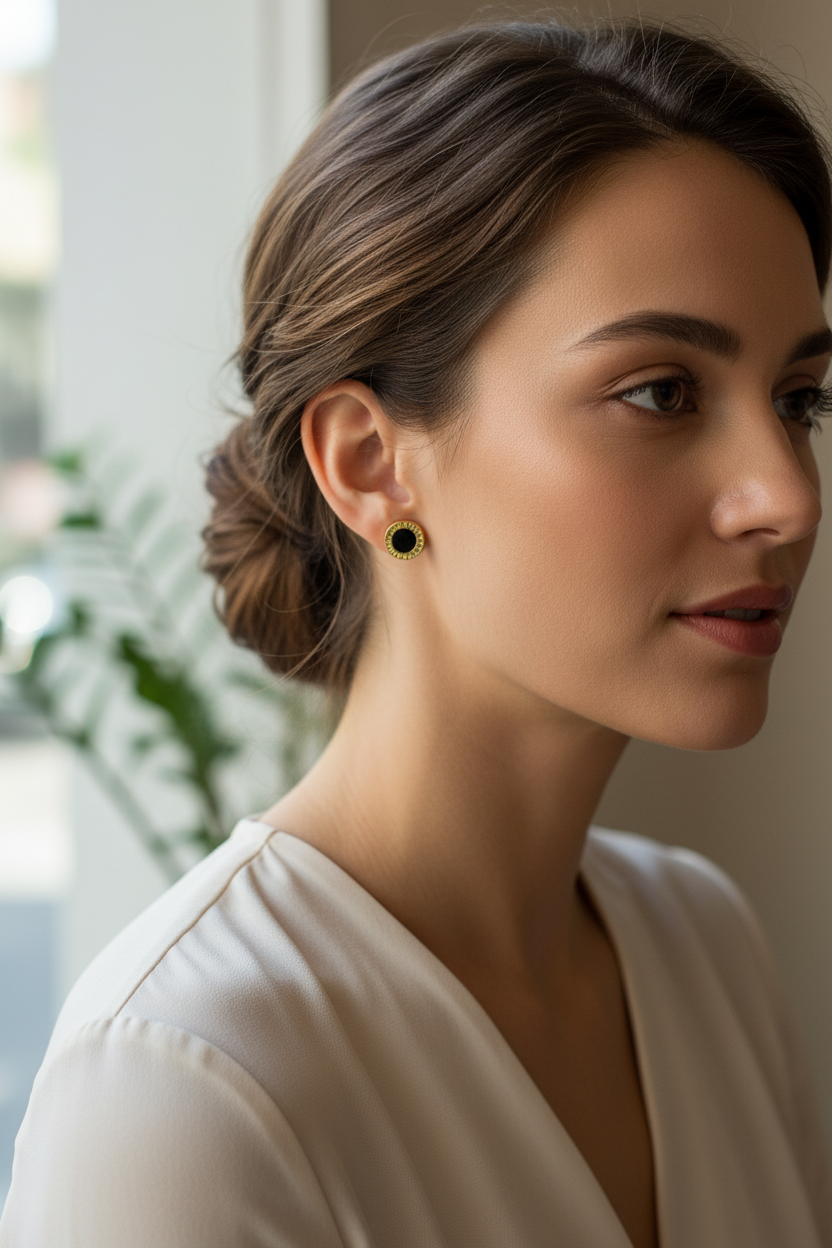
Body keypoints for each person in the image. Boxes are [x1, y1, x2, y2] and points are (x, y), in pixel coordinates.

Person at [3, 17, 832, 1248]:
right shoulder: (182, 1083)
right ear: (371, 463)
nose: (786, 496)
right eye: (660, 392)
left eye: (798, 400)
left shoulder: (697, 943)